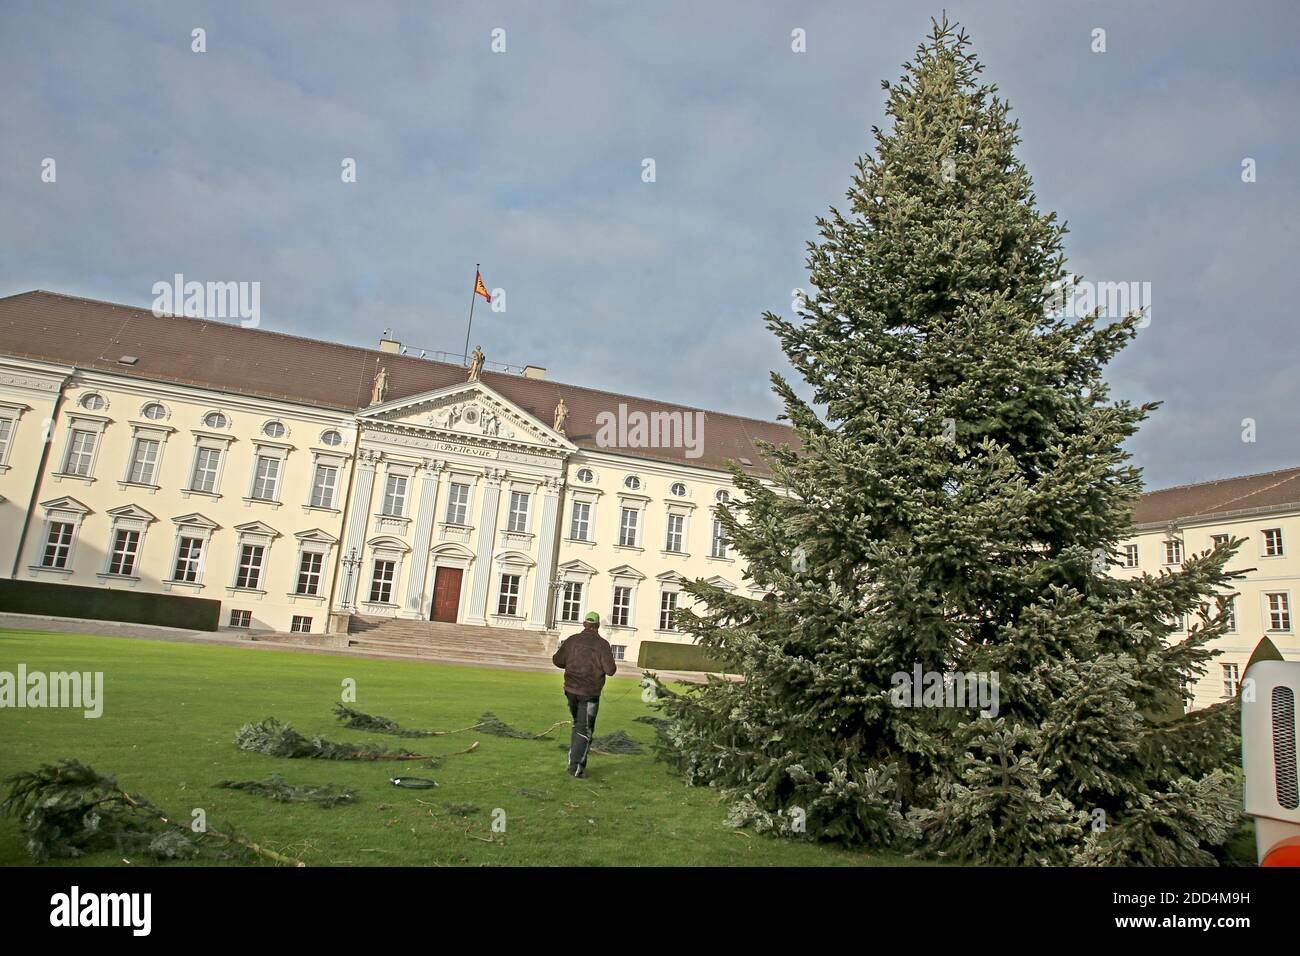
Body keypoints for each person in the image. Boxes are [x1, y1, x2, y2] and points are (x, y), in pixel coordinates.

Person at [552, 610, 617, 777]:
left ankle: (574, 760)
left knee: (578, 725)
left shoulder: (572, 640)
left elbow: (557, 660)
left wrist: (571, 666)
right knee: (584, 729)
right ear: (597, 626)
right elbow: (610, 670)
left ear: (584, 624)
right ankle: (576, 769)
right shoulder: (602, 645)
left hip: (571, 690)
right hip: (590, 693)